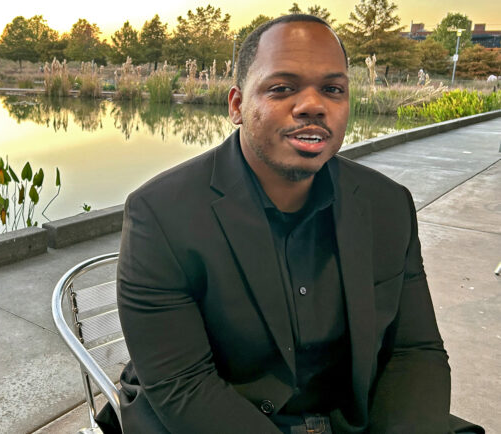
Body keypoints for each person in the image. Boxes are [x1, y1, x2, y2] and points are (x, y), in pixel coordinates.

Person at [96, 14, 484, 434]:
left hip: (349, 417)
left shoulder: (387, 205)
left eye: (333, 89)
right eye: (282, 88)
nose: (314, 105)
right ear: (237, 106)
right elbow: (182, 386)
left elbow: (415, 350)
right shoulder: (161, 214)